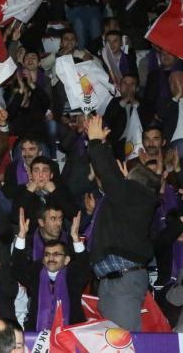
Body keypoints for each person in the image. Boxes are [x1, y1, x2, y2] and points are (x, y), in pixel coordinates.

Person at [87, 115, 161, 331]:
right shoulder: (132, 200)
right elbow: (113, 180)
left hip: (122, 282)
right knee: (116, 342)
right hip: (116, 282)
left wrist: (95, 142)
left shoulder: (137, 196)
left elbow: (109, 175)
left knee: (123, 342)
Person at [12, 210, 89, 331]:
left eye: (56, 254)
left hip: (71, 333)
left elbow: (85, 267)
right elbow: (18, 268)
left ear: (66, 260)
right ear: (43, 260)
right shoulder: (36, 272)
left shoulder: (73, 275)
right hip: (37, 334)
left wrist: (75, 238)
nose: (51, 258)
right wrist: (21, 235)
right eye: (47, 254)